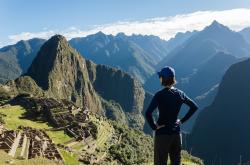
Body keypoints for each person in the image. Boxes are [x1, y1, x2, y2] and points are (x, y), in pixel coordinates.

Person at [145, 66, 198, 165]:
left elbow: (148, 113)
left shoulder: (159, 95)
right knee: (176, 162)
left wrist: (154, 126)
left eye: (160, 76)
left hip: (162, 134)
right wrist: (181, 121)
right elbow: (194, 107)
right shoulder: (180, 94)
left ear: (163, 78)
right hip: (176, 134)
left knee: (160, 162)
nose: (159, 78)